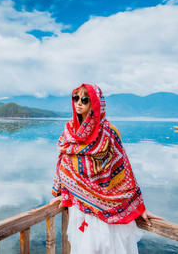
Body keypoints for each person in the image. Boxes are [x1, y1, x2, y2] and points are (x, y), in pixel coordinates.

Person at [50, 83, 163, 254]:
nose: (78, 103)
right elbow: (64, 165)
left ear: (95, 105)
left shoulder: (109, 133)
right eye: (76, 98)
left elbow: (124, 170)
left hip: (108, 208)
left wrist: (138, 206)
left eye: (85, 99)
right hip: (81, 208)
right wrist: (62, 193)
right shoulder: (69, 132)